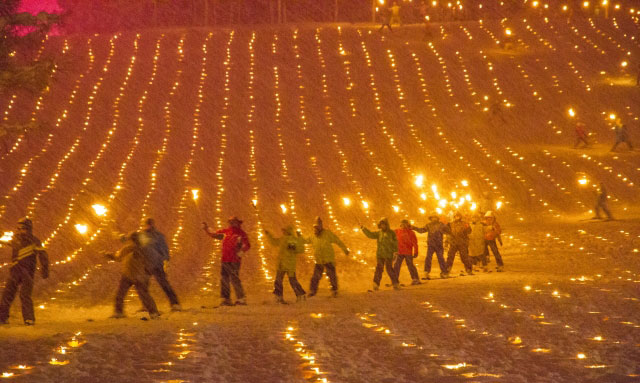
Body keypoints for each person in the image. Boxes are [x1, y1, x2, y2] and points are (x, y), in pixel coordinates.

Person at [0, 218, 49, 325]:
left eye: (23, 228)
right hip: (15, 271)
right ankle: (2, 318)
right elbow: (3, 240)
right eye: (18, 228)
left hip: (27, 272)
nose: (20, 231)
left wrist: (45, 269)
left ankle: (29, 319)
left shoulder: (34, 241)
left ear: (28, 229)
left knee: (25, 295)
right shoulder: (15, 240)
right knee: (7, 294)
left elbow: (43, 255)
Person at [105, 232, 159, 319]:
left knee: (121, 294)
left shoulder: (129, 248)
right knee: (143, 295)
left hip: (129, 275)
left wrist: (110, 256)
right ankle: (153, 312)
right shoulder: (143, 249)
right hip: (138, 275)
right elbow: (149, 262)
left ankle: (119, 312)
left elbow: (118, 258)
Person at [202, 217, 250, 306]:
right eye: (231, 222)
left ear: (238, 223)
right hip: (225, 259)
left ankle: (241, 298)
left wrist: (240, 252)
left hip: (234, 260)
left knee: (234, 279)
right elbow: (214, 234)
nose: (232, 224)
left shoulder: (241, 233)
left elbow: (247, 245)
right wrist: (206, 228)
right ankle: (226, 299)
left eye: (234, 222)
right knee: (224, 279)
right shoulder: (226, 232)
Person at [302, 217, 349, 298]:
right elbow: (304, 241)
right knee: (315, 277)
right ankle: (312, 291)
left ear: (320, 227)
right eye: (315, 228)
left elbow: (338, 241)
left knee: (331, 275)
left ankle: (334, 291)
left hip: (328, 259)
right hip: (319, 260)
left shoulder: (327, 234)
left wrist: (345, 249)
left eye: (317, 227)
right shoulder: (312, 236)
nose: (316, 230)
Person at [140, 218, 180, 311]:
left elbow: (164, 248)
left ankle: (174, 303)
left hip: (156, 263)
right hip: (147, 263)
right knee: (143, 285)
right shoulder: (142, 235)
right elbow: (140, 248)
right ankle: (146, 305)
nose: (147, 226)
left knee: (163, 284)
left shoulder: (157, 236)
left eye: (149, 224)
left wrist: (165, 258)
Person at [265, 225, 306, 304]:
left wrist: (295, 244)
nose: (283, 232)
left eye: (284, 230)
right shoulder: (283, 239)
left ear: (288, 231)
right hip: (282, 264)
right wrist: (269, 235)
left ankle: (300, 295)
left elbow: (300, 249)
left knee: (290, 281)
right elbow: (274, 242)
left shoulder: (292, 239)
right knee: (280, 280)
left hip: (288, 265)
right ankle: (280, 296)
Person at [362, 218, 400, 290]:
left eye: (384, 224)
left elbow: (395, 243)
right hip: (380, 254)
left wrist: (395, 252)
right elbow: (370, 235)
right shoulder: (379, 233)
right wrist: (364, 229)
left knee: (389, 269)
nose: (383, 226)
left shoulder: (391, 233)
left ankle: (395, 283)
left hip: (388, 254)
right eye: (381, 225)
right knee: (379, 268)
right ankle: (376, 283)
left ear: (387, 225)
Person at [412, 213, 450, 279]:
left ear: (437, 218)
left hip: (439, 245)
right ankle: (426, 272)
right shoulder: (429, 225)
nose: (434, 219)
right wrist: (414, 228)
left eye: (435, 217)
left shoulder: (441, 225)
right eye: (433, 217)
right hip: (431, 245)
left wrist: (448, 227)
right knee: (428, 259)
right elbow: (422, 230)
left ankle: (444, 272)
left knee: (441, 259)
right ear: (431, 218)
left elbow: (448, 232)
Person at [394, 219, 420, 285]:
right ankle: (394, 279)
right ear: (401, 225)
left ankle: (415, 278)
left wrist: (416, 251)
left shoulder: (411, 232)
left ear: (408, 225)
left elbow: (415, 243)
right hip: (399, 251)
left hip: (408, 252)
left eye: (405, 224)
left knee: (410, 265)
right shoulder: (397, 231)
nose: (404, 226)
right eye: (403, 224)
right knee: (397, 265)